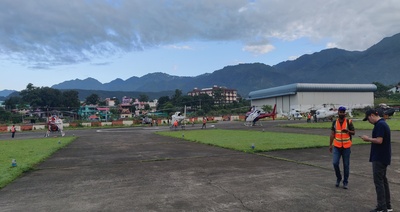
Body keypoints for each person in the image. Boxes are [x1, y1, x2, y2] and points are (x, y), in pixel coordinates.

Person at [360, 109, 392, 212]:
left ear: (372, 115)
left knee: (379, 182)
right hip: (383, 156)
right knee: (383, 181)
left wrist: (367, 138)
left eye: (368, 119)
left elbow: (379, 140)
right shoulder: (383, 124)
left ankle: (381, 207)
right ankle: (387, 205)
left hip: (379, 157)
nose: (369, 121)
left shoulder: (380, 125)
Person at [329, 106, 355, 189]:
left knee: (346, 165)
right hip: (337, 146)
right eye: (340, 112)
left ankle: (345, 182)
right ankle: (339, 177)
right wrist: (330, 145)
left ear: (345, 113)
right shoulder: (334, 122)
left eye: (343, 112)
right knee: (335, 163)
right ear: (338, 113)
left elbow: (353, 132)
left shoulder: (349, 122)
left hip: (346, 146)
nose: (342, 113)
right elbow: (332, 134)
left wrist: (348, 131)